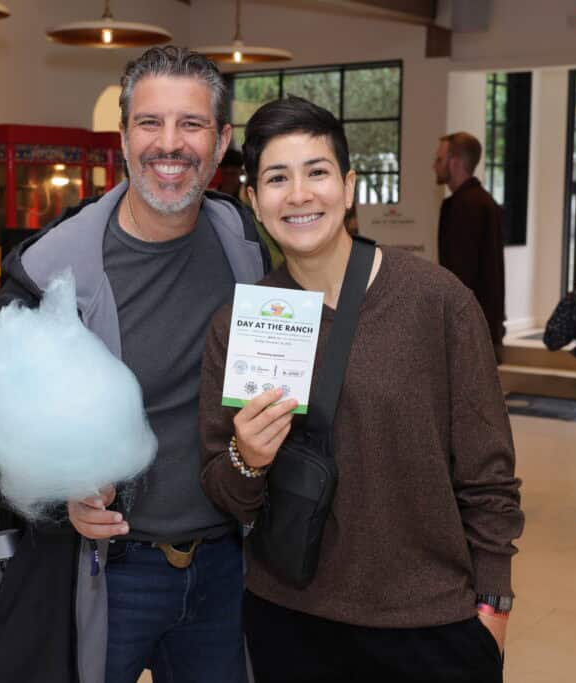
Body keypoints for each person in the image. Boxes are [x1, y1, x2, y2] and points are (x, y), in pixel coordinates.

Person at [0, 46, 269, 683]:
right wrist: (58, 494)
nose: (169, 144)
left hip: (225, 567)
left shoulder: (246, 244)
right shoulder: (51, 271)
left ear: (223, 139)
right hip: (104, 575)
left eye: (192, 124)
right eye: (149, 123)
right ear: (122, 136)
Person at [199, 96, 524, 682]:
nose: (299, 194)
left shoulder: (436, 302)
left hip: (430, 622)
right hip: (290, 618)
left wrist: (493, 605)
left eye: (317, 172)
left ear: (348, 187)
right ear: (254, 201)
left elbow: (489, 472)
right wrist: (247, 458)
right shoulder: (244, 325)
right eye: (277, 178)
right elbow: (224, 490)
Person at [434, 131, 507, 361]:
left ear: (454, 162)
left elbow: (459, 273)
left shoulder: (461, 208)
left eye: (439, 159)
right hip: (483, 321)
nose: (434, 165)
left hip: (467, 327)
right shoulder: (486, 202)